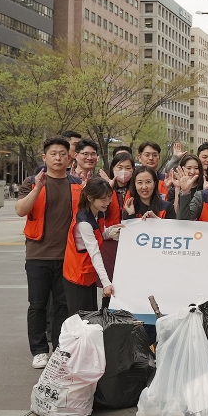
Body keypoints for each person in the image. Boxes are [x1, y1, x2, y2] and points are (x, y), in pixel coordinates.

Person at [15, 136, 83, 369]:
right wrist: (38, 187)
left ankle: (59, 348)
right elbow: (20, 210)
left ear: (69, 157)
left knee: (62, 306)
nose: (58, 157)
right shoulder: (32, 182)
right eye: (53, 154)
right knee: (37, 304)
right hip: (38, 254)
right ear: (45, 158)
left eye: (62, 153)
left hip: (67, 256)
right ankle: (39, 350)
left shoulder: (76, 184)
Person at [65, 177, 124, 316]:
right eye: (103, 199)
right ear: (91, 198)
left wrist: (109, 232)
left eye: (109, 198)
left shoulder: (98, 213)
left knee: (90, 318)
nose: (108, 203)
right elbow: (94, 253)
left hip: (88, 275)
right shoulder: (84, 222)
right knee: (80, 323)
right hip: (77, 276)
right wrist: (106, 283)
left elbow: (98, 234)